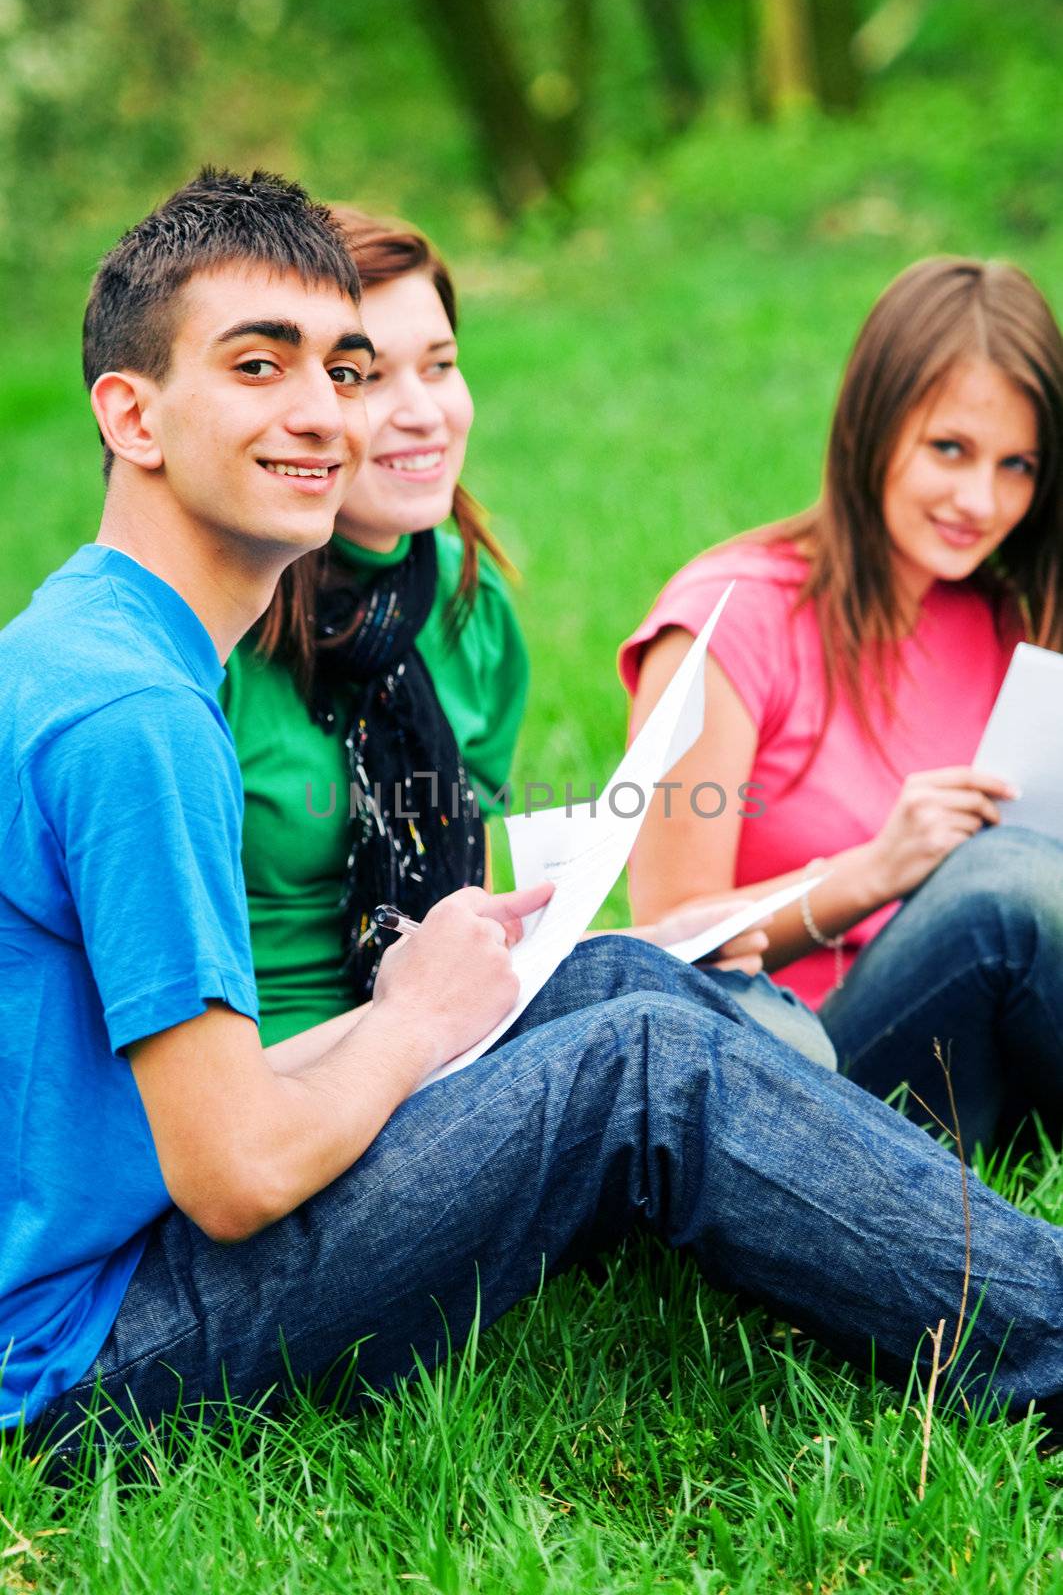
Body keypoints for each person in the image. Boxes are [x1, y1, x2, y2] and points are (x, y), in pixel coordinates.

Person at [5, 180, 1063, 1465]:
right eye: (254, 363)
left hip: (113, 1239)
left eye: (335, 369)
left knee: (595, 972)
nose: (318, 412)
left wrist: (450, 993)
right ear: (133, 413)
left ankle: (928, 1244)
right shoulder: (135, 715)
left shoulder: (97, 639)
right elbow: (233, 1173)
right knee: (641, 1068)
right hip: (87, 1351)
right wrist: (411, 1022)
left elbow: (188, 1108)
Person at [221, 206, 827, 1063]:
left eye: (440, 366)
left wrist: (647, 943)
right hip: (291, 1077)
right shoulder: (222, 627)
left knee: (766, 1025)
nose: (423, 412)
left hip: (454, 1033)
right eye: (367, 375)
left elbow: (473, 913)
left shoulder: (471, 606)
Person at [622, 258, 1063, 1153]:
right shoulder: (726, 622)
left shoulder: (1016, 625)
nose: (981, 501)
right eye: (949, 449)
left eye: (1015, 466)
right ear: (872, 426)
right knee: (1000, 885)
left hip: (993, 1057)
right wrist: (872, 870)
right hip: (810, 1071)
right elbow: (656, 949)